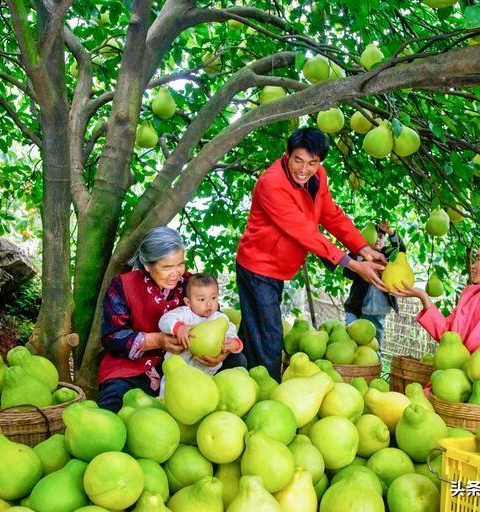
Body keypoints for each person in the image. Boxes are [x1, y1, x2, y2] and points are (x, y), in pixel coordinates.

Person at [236, 127, 387, 380]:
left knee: (255, 333)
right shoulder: (271, 184)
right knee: (270, 337)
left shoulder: (318, 177)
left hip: (279, 268)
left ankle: (234, 377)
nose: (303, 169)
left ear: (320, 162)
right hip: (257, 267)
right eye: (298, 160)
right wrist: (352, 264)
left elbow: (331, 215)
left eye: (312, 162)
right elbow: (306, 233)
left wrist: (364, 248)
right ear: (287, 155)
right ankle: (267, 392)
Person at [97, 228, 229, 412]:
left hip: (188, 362)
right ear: (148, 265)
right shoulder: (123, 286)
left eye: (180, 264)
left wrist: (220, 352)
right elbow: (112, 336)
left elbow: (216, 319)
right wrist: (158, 340)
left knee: (238, 363)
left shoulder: (191, 284)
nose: (176, 273)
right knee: (114, 406)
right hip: (133, 368)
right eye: (167, 267)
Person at [391, 237, 480, 353]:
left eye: (478, 259)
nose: (473, 265)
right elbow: (447, 335)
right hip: (448, 381)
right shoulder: (469, 294)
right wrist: (423, 297)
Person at [157, 273, 244, 395]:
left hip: (207, 373)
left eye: (213, 298)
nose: (209, 304)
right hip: (178, 371)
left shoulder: (219, 319)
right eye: (202, 300)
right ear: (188, 302)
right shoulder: (185, 314)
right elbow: (164, 321)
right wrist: (179, 328)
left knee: (206, 397)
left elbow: (231, 332)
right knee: (171, 394)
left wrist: (233, 344)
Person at [344, 221, 405, 345]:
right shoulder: (357, 255)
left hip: (378, 311)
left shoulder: (388, 254)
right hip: (356, 309)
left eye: (381, 237)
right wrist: (361, 259)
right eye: (375, 235)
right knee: (349, 341)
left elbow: (401, 250)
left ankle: (376, 362)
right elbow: (347, 272)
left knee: (374, 345)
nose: (377, 239)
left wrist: (391, 232)